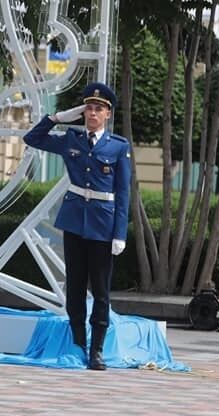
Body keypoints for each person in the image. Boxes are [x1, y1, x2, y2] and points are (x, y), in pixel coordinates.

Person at [23, 81, 132, 370]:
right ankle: (78, 342)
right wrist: (57, 118)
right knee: (74, 287)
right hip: (74, 222)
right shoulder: (72, 139)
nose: (92, 113)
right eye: (88, 108)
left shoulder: (118, 147)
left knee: (100, 290)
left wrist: (119, 233)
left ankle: (96, 349)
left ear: (108, 114)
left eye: (98, 109)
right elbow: (31, 138)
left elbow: (123, 194)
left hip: (102, 225)